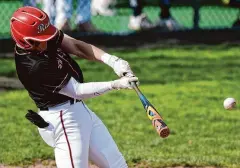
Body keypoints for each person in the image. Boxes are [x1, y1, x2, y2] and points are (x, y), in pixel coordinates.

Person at [10, 6, 139, 168]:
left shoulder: (41, 37)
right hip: (63, 120)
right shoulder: (34, 66)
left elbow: (76, 46)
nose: (47, 40)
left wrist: (113, 61)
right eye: (41, 38)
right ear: (26, 42)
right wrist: (116, 84)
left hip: (81, 113)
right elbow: (77, 91)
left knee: (117, 165)